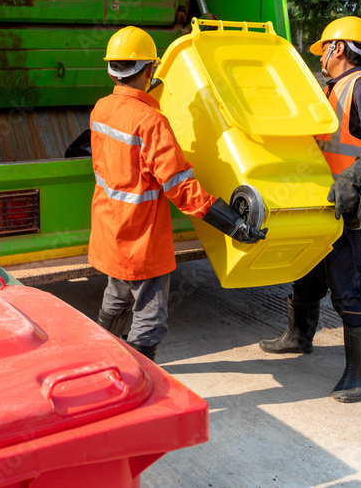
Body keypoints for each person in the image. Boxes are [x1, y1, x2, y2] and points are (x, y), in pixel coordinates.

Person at [89, 26, 268, 362]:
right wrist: (233, 225)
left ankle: (101, 361)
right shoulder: (151, 121)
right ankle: (139, 378)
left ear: (112, 70)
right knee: (149, 317)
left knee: (117, 296)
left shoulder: (100, 109)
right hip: (142, 236)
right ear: (149, 69)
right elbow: (181, 188)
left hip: (110, 228)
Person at [259, 16, 361, 403]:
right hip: (319, 203)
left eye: (324, 48)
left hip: (347, 207)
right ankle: (299, 336)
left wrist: (353, 176)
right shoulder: (331, 89)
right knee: (306, 270)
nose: (320, 55)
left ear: (338, 48)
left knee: (345, 284)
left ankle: (358, 372)